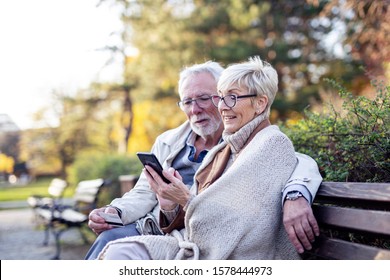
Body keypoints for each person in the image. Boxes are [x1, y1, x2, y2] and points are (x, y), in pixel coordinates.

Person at [85, 59, 322, 259]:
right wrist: (116, 211)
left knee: (117, 252)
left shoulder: (241, 141)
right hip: (158, 228)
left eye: (204, 99)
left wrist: (296, 194)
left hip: (194, 238)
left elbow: (294, 160)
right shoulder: (169, 141)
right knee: (111, 242)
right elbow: (143, 193)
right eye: (187, 101)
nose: (195, 109)